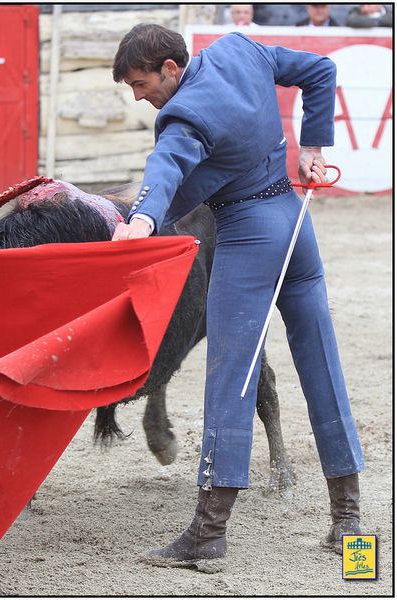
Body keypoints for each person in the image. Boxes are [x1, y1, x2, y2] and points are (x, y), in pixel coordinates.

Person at [111, 24, 364, 568]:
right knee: (323, 368)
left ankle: (208, 535)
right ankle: (349, 524)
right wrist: (313, 147)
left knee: (231, 380)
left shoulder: (182, 115)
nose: (138, 95)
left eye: (140, 82)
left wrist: (141, 219)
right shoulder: (239, 48)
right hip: (296, 227)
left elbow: (168, 163)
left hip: (248, 236)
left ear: (170, 69)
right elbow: (321, 72)